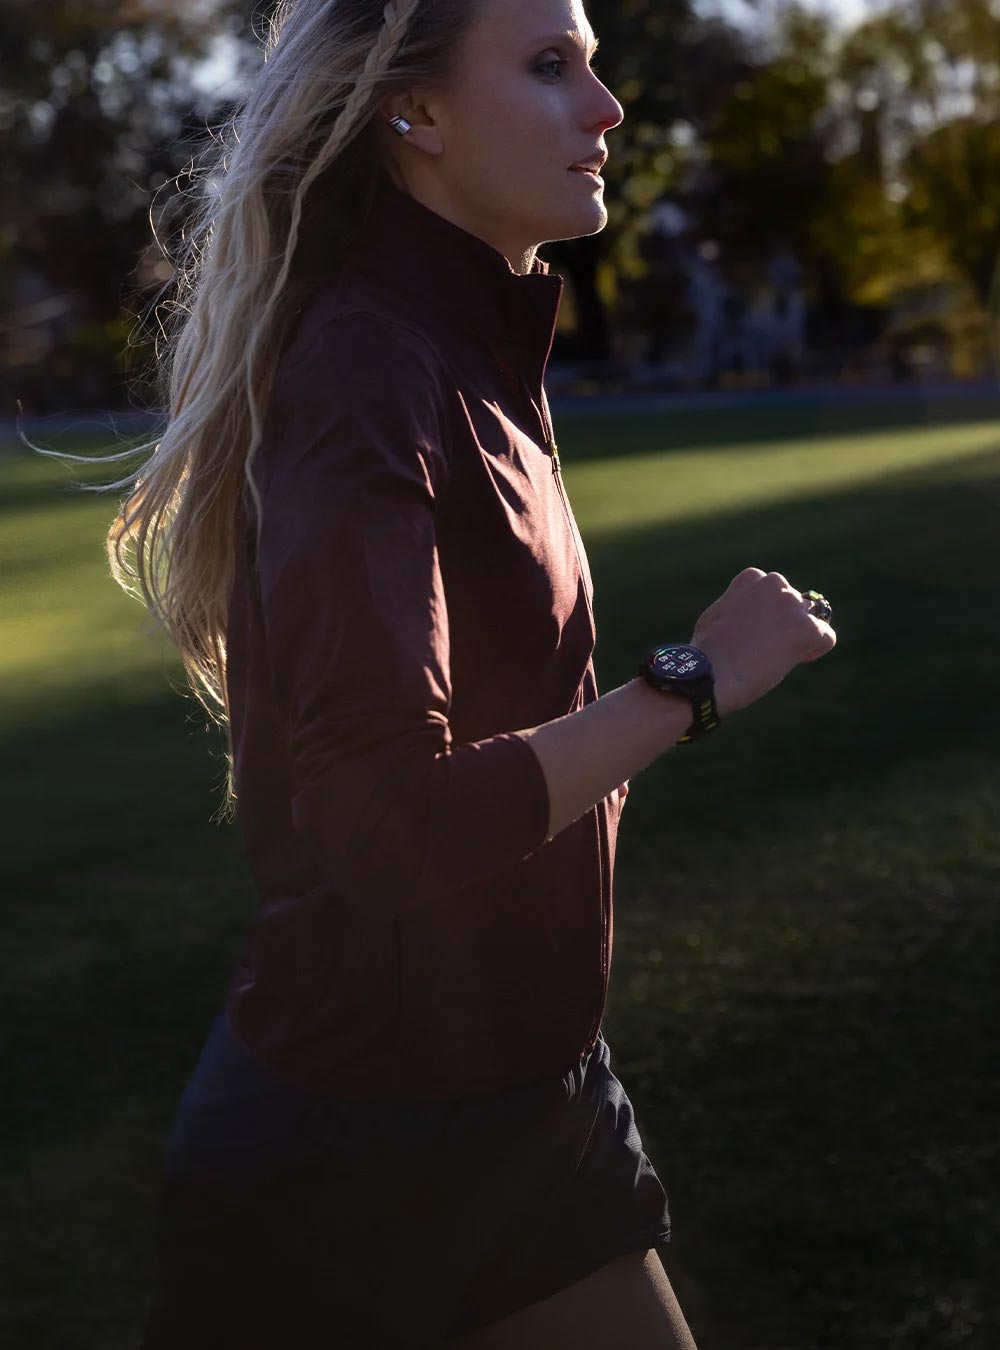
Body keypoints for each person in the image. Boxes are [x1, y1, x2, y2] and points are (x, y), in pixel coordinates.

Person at [97, 0, 839, 1345]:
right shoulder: (369, 368)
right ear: (415, 111)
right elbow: (381, 821)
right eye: (552, 66)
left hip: (519, 1088)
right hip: (354, 1145)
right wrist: (693, 679)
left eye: (594, 63)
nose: (607, 108)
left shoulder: (470, 348)